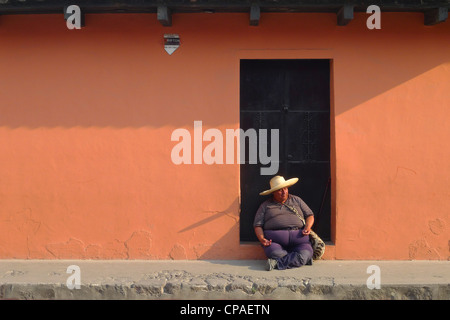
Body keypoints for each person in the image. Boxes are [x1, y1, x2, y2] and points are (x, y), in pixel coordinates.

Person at [253, 175, 314, 271]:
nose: (284, 192)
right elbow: (258, 225)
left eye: (285, 188)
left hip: (299, 239)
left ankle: (277, 263)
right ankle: (300, 260)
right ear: (273, 192)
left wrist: (307, 227)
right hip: (275, 241)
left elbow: (310, 215)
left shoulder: (297, 200)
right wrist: (262, 239)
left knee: (306, 253)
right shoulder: (265, 205)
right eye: (280, 190)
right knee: (274, 253)